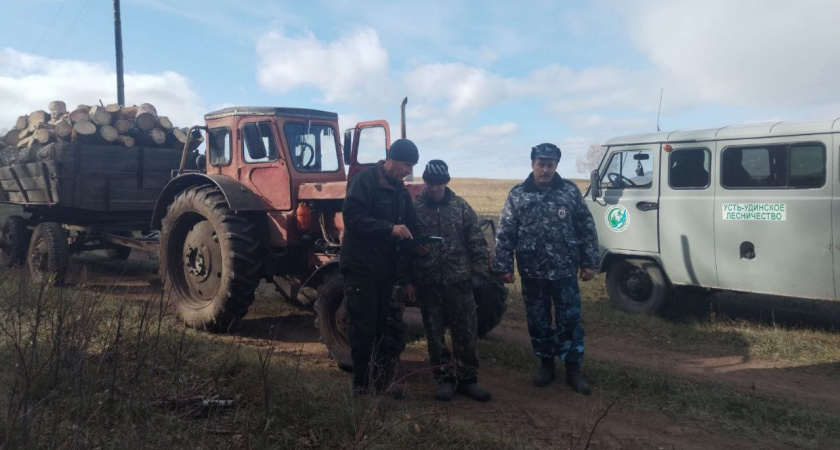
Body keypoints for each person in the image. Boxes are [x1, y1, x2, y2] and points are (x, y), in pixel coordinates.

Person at [493, 143, 599, 395]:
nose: (545, 170)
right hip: (532, 272)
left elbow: (586, 227)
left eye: (550, 165)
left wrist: (589, 262)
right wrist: (504, 266)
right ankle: (546, 365)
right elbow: (506, 232)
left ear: (556, 167)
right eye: (541, 164)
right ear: (532, 165)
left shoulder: (569, 192)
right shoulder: (518, 194)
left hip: (564, 270)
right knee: (539, 322)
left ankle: (573, 370)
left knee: (570, 321)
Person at [405, 160, 492, 402]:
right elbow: (405, 246)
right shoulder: (414, 209)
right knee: (434, 334)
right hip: (428, 283)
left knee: (465, 332)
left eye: (438, 183)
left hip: (459, 282)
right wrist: (413, 257)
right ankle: (444, 379)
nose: (433, 188)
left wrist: (478, 275)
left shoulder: (460, 207)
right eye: (430, 183)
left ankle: (468, 379)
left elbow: (476, 242)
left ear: (446, 183)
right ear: (425, 182)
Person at [340, 138, 419, 397]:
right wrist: (388, 229)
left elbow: (410, 223)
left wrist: (419, 242)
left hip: (385, 270)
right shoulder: (364, 182)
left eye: (411, 167)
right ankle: (362, 388)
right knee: (363, 328)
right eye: (406, 165)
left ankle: (381, 384)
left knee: (383, 328)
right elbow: (352, 219)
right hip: (361, 267)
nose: (408, 171)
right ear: (392, 159)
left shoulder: (399, 190)